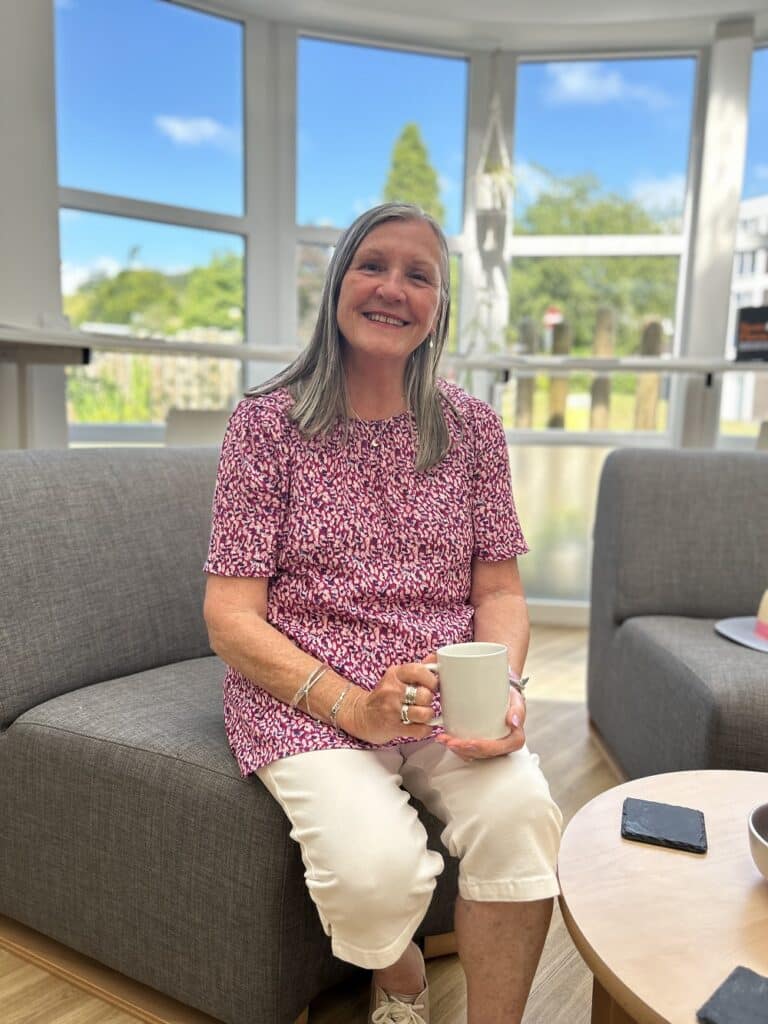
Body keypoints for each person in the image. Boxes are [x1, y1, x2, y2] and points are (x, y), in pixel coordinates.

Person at [203, 202, 562, 1024]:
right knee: (376, 875)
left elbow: (499, 592)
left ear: (439, 304)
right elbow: (230, 616)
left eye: (419, 274)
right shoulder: (267, 426)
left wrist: (503, 685)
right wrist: (352, 706)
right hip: (306, 696)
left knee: (522, 816)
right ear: (338, 284)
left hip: (442, 692)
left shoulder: (471, 427)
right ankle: (398, 976)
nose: (393, 288)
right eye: (373, 265)